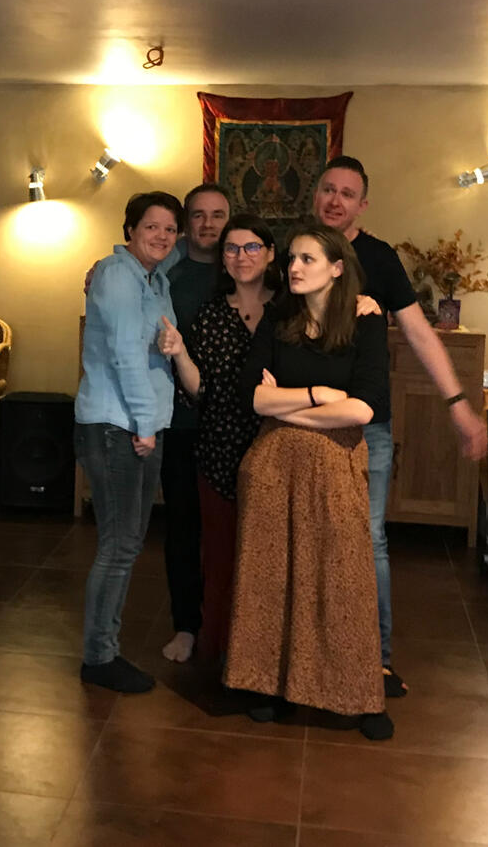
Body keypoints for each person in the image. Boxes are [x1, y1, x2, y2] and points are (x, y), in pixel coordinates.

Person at [313, 155, 487, 698]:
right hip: (304, 420)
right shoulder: (296, 250)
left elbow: (419, 333)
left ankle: (377, 660)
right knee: (308, 536)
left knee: (368, 539)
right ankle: (308, 657)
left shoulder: (380, 258)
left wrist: (458, 404)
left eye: (347, 194)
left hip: (369, 425)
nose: (335, 200)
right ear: (315, 195)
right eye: (328, 189)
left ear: (362, 205)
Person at [226, 222, 393, 741]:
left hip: (336, 462)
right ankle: (266, 685)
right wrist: (321, 394)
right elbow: (253, 397)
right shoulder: (279, 319)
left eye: (307, 260)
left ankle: (357, 694)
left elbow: (363, 408)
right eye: (291, 258)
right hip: (273, 463)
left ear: (337, 269)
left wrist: (289, 404)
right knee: (269, 578)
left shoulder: (365, 322)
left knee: (344, 579)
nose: (294, 268)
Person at [75, 190, 183, 693]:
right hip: (116, 425)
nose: (162, 236)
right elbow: (122, 355)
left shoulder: (155, 278)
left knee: (128, 543)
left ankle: (104, 649)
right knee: (118, 545)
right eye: (151, 226)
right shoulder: (118, 275)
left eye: (170, 228)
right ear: (130, 231)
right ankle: (99, 657)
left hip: (140, 424)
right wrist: (144, 424)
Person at [158, 213, 279, 660]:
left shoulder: (290, 310)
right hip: (219, 446)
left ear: (270, 254)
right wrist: (180, 353)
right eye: (232, 248)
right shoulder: (210, 315)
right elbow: (199, 390)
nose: (241, 256)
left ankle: (265, 650)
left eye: (251, 247)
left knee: (269, 553)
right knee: (220, 551)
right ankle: (219, 646)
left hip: (275, 445)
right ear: (222, 259)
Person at [159, 183, 231, 663]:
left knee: (228, 530)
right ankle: (185, 625)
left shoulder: (243, 268)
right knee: (183, 528)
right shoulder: (169, 273)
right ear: (187, 222)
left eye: (217, 215)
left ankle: (230, 630)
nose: (208, 224)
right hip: (180, 421)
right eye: (199, 215)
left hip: (235, 424)